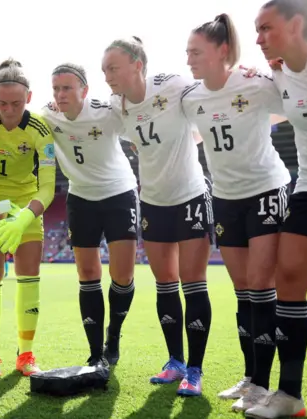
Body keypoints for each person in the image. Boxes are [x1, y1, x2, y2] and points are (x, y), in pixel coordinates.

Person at [181, 14, 291, 410]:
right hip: (225, 197)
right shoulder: (191, 97)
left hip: (266, 189)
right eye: (187, 51)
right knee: (243, 288)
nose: (188, 58)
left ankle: (265, 385)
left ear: (222, 51)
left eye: (196, 51)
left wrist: (279, 68)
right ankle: (251, 377)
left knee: (262, 286)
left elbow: (295, 100)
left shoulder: (255, 82)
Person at [245, 0, 307, 419]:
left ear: (297, 24)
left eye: (266, 28)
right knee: (287, 278)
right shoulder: (277, 74)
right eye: (256, 29)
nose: (258, 38)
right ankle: (289, 394)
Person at [103, 37, 212, 396]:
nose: (107, 76)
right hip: (152, 202)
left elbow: (209, 98)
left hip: (190, 196)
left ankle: (194, 370)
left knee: (193, 282)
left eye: (113, 68)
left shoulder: (172, 85)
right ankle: (175, 361)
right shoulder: (115, 109)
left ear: (137, 65)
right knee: (165, 283)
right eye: (104, 69)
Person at [41, 63, 139, 368]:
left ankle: (114, 335)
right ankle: (96, 352)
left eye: (67, 88)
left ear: (84, 89)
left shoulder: (106, 112)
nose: (60, 94)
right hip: (81, 197)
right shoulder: (47, 115)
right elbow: (13, 116)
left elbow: (140, 121)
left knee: (122, 276)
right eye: (56, 88)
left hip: (119, 193)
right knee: (87, 275)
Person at [0, 58, 56, 377]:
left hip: (27, 206)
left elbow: (47, 187)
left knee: (28, 276)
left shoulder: (40, 130)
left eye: (16, 103)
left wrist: (23, 218)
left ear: (28, 98)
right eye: (2, 103)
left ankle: (26, 354)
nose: (8, 109)